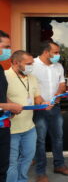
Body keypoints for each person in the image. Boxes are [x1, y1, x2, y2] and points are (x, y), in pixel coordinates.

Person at [5, 51, 51, 182]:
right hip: (11, 129)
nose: (31, 66)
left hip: (29, 128)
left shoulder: (32, 77)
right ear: (16, 63)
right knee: (11, 162)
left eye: (32, 63)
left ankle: (22, 179)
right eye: (28, 64)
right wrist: (11, 105)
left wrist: (43, 103)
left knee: (27, 158)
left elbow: (36, 96)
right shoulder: (4, 77)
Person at [31, 41, 68, 182]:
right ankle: (41, 172)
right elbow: (30, 87)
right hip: (39, 108)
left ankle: (59, 165)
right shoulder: (32, 65)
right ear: (45, 52)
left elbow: (62, 83)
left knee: (58, 138)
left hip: (55, 107)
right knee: (40, 140)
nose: (58, 55)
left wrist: (56, 98)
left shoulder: (58, 66)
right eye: (55, 52)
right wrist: (42, 103)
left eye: (58, 52)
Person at [0, 30, 23, 182]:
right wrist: (8, 107)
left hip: (3, 125)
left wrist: (10, 104)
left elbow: (2, 92)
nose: (9, 51)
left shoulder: (0, 68)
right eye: (6, 47)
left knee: (3, 166)